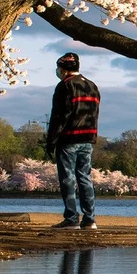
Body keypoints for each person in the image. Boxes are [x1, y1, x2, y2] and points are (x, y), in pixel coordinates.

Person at [46, 52, 101, 230]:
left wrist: (51, 140)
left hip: (69, 137)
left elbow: (59, 116)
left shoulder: (64, 86)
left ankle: (71, 218)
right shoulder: (92, 86)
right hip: (88, 137)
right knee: (85, 177)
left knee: (67, 178)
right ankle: (89, 219)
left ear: (63, 69)